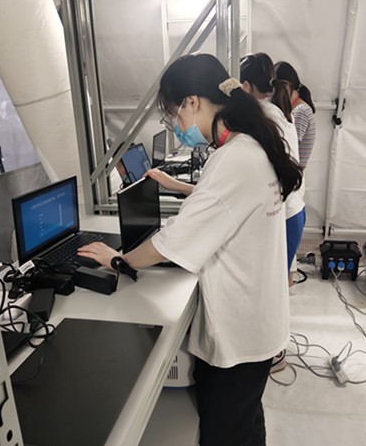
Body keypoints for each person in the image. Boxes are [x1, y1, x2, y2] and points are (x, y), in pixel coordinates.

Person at [78, 53, 302, 446]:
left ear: (193, 102)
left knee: (226, 434)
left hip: (240, 336)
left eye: (173, 115)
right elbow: (228, 201)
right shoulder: (249, 143)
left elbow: (169, 244)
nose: (177, 126)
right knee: (247, 421)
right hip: (256, 326)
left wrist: (118, 259)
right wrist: (181, 187)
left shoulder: (234, 157)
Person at [240, 53, 306, 372]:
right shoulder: (275, 110)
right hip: (293, 209)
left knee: (274, 289)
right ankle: (274, 347)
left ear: (245, 86)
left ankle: (276, 353)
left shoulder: (262, 115)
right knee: (277, 285)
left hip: (287, 213)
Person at [274, 61, 316, 168]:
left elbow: (290, 148)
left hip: (292, 172)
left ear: (286, 85)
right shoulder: (297, 109)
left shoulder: (301, 111)